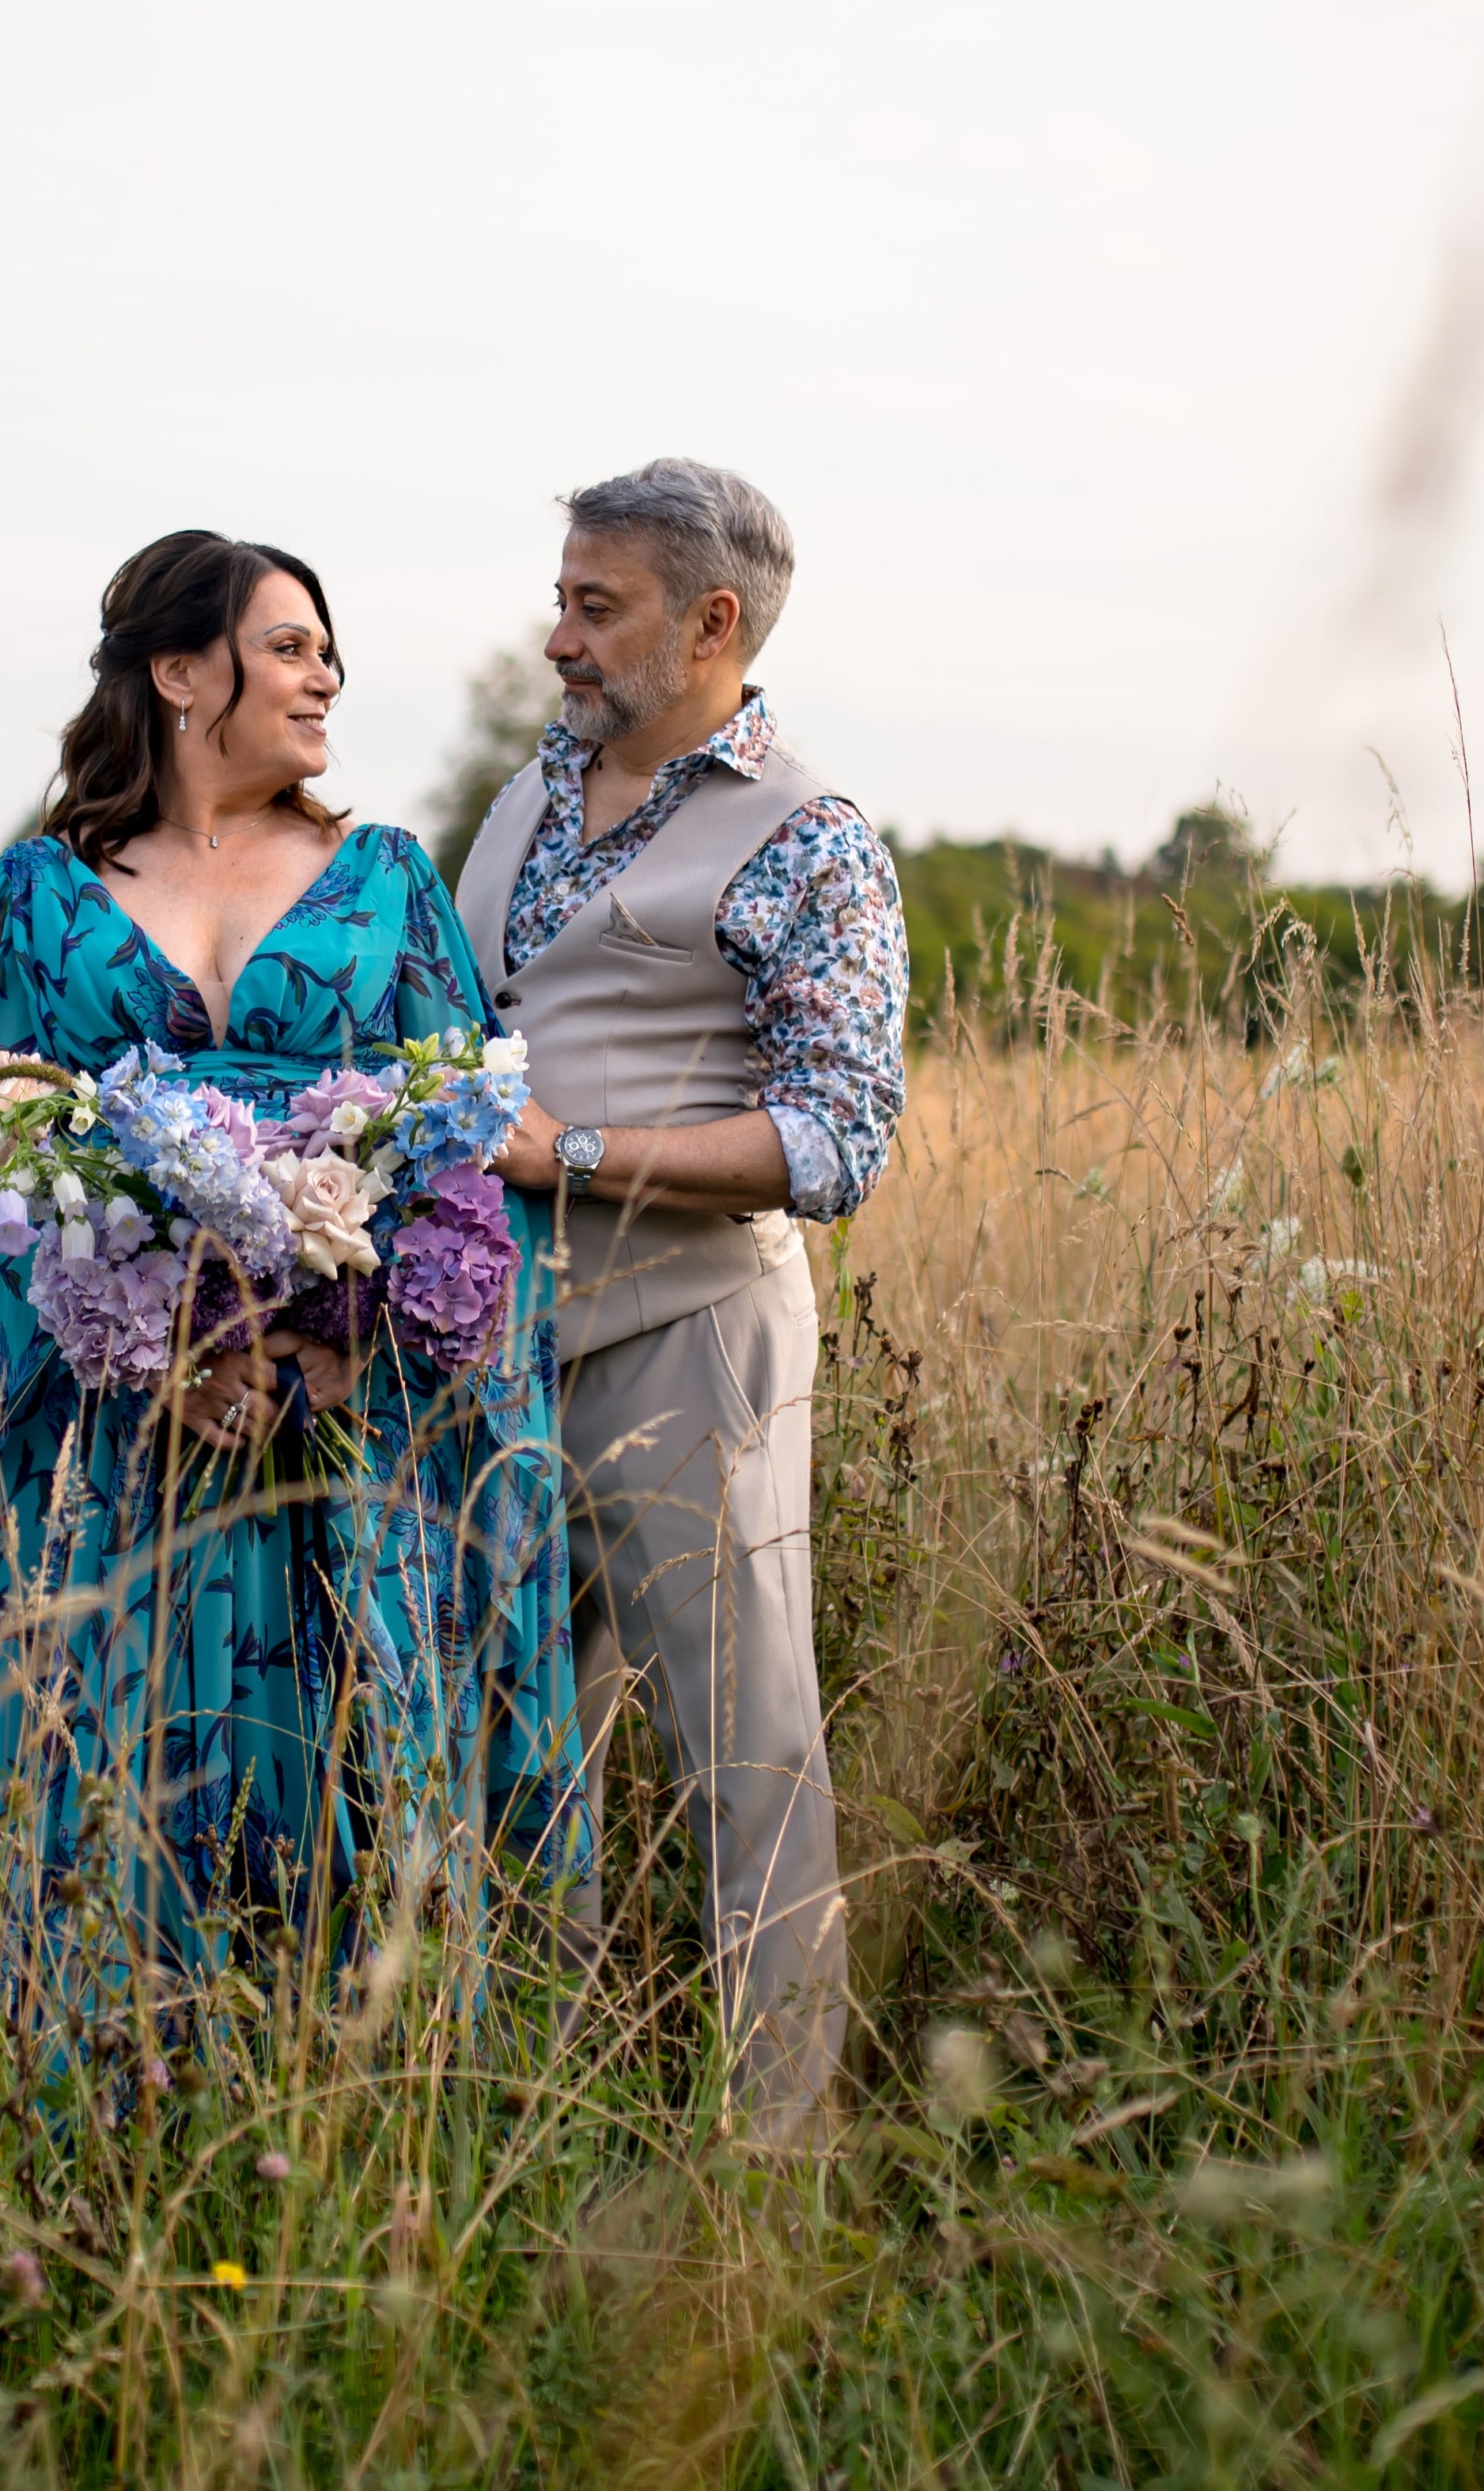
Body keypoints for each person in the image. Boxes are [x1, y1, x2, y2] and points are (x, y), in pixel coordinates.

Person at [0, 529, 588, 2042]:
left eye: (324, 649)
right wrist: (165, 1349)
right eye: (288, 645)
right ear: (175, 671)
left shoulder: (386, 882)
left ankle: (370, 2138)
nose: (323, 673)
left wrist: (354, 1345)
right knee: (135, 1777)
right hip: (144, 1454)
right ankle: (129, 2132)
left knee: (367, 1780)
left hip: (355, 1441)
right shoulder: (38, 897)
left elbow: (460, 1153)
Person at [456, 457, 907, 2145]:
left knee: (745, 1756)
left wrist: (567, 1149)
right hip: (495, 1349)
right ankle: (527, 2121)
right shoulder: (522, 797)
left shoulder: (810, 839)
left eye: (597, 603)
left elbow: (833, 1132)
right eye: (562, 596)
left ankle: (774, 2163)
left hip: (689, 1331)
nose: (559, 634)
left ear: (710, 621)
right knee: (518, 1742)